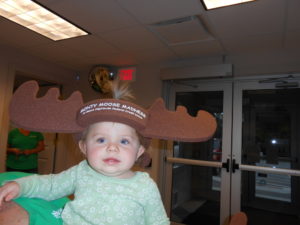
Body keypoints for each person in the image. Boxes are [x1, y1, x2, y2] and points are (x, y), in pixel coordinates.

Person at [0, 80, 217, 225]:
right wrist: (20, 186)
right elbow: (49, 185)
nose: (112, 147)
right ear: (84, 147)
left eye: (124, 141)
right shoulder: (81, 172)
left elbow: (158, 222)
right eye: (101, 139)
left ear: (139, 150)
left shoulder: (144, 186)